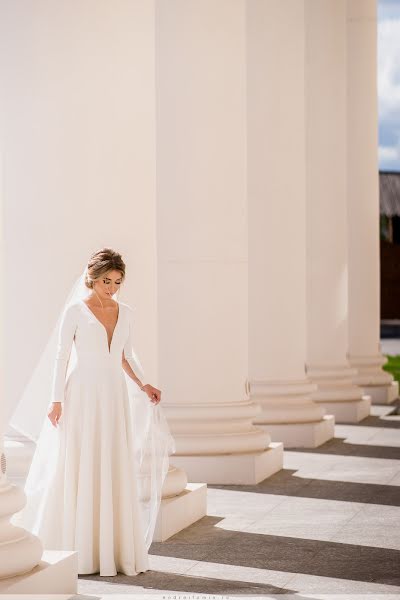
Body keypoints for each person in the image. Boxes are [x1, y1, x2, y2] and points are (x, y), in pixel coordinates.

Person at [10, 247, 175, 576]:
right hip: (82, 392)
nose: (112, 288)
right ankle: (79, 545)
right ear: (92, 278)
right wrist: (55, 400)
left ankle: (109, 547)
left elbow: (126, 356)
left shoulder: (125, 312)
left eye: (117, 282)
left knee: (111, 461)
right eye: (106, 281)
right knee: (81, 460)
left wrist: (144, 384)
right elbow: (61, 357)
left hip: (113, 394)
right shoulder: (76, 310)